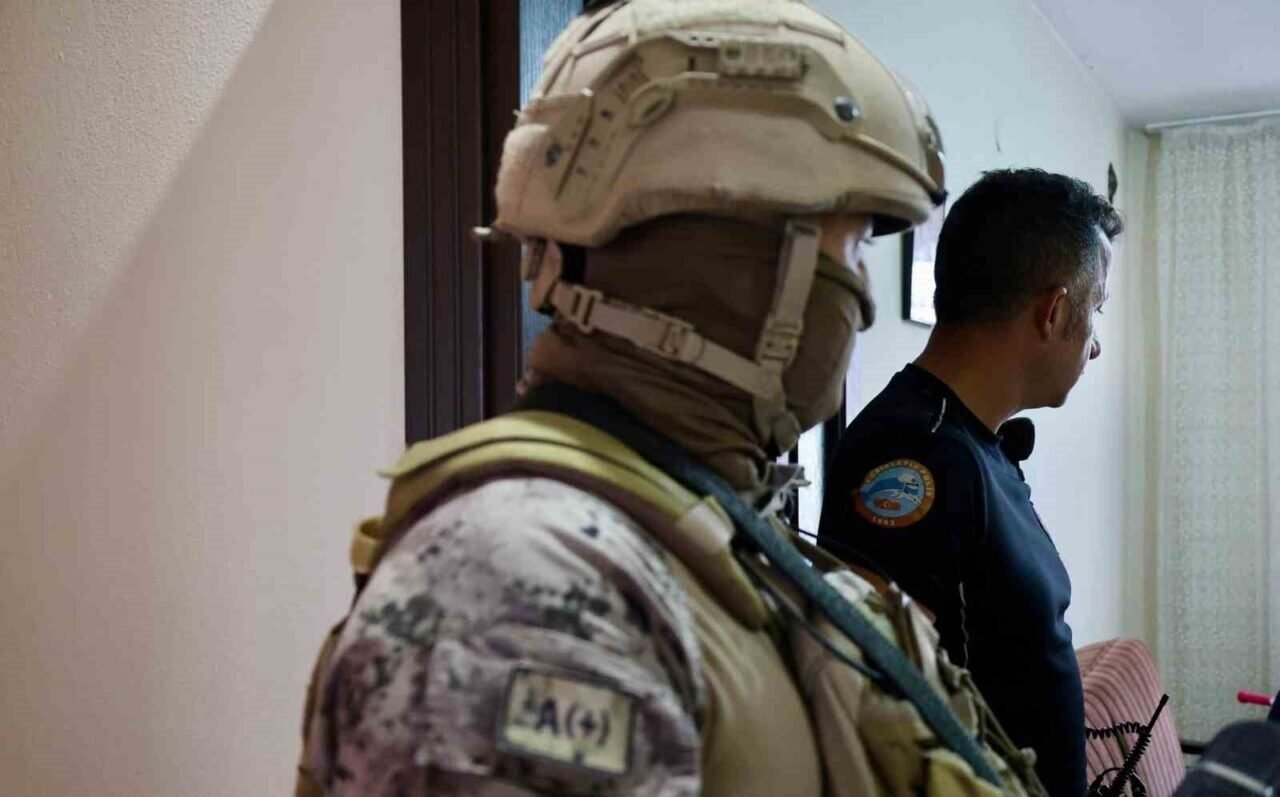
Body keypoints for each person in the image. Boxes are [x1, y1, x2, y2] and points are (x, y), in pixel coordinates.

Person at [294, 3, 1042, 796]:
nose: (860, 296)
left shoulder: (707, 533)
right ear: (734, 266)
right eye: (851, 246)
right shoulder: (520, 583)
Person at [819, 168, 1124, 797]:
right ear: (1053, 311)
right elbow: (877, 714)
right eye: (1095, 310)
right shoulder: (915, 454)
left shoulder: (972, 445)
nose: (1095, 345)